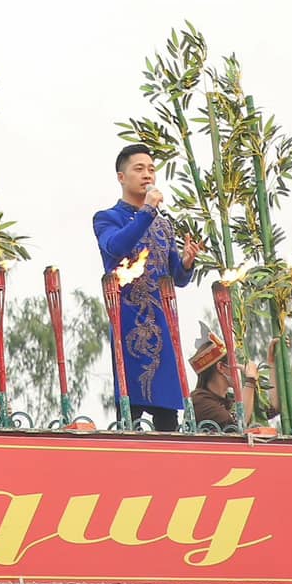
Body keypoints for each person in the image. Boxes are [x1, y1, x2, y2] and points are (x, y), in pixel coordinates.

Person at [93, 144, 202, 432]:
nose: (147, 175)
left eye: (151, 169)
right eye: (139, 169)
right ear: (121, 177)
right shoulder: (107, 218)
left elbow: (177, 278)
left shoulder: (163, 225)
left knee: (168, 418)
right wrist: (147, 211)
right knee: (130, 414)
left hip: (163, 326)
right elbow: (116, 246)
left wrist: (187, 262)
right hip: (129, 321)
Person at [186, 331, 261, 432]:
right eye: (235, 362)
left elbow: (270, 410)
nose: (240, 368)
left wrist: (272, 362)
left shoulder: (229, 399)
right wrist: (250, 382)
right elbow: (238, 426)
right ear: (221, 367)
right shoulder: (199, 401)